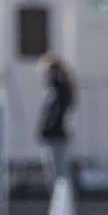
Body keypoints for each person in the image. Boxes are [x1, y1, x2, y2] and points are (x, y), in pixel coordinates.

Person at [37, 54, 76, 187]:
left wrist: (48, 129)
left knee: (58, 174)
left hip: (55, 136)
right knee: (54, 172)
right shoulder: (54, 90)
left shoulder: (59, 91)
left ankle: (63, 203)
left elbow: (55, 115)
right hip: (53, 136)